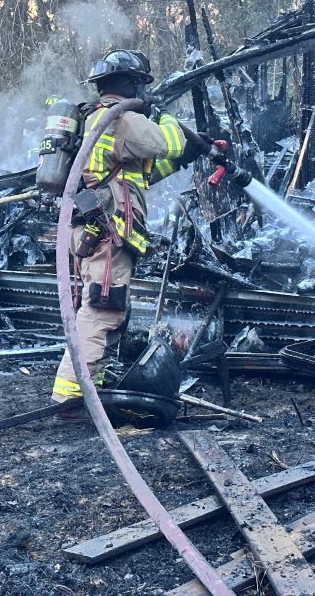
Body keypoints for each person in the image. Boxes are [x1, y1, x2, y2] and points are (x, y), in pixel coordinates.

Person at [51, 49, 205, 414]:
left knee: (108, 309)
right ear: (132, 84)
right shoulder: (120, 119)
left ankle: (91, 384)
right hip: (106, 232)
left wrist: (185, 158)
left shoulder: (97, 121)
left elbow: (139, 177)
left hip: (95, 229)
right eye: (140, 85)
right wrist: (166, 117)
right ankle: (73, 395)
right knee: (103, 310)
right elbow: (169, 141)